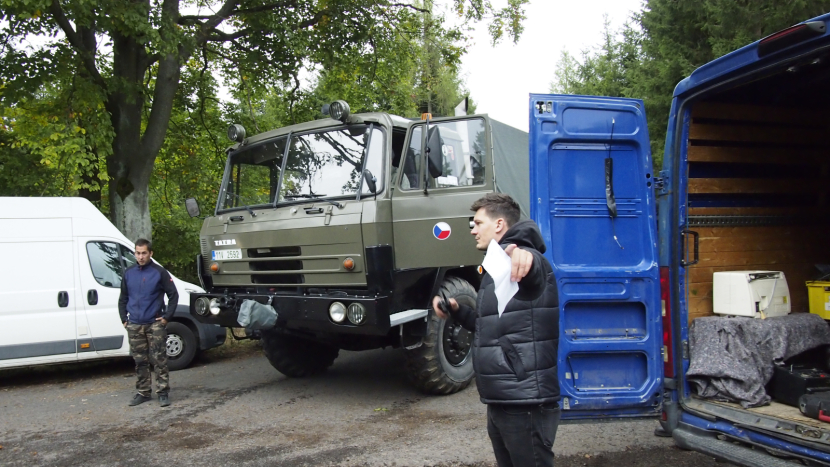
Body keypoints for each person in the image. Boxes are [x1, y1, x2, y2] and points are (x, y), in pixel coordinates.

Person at [433, 193, 560, 467]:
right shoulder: (496, 266)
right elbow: (491, 325)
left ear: (500, 224)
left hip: (525, 401)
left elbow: (533, 272)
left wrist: (526, 257)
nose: (473, 229)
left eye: (478, 223)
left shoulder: (523, 260)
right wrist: (457, 312)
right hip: (502, 398)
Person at [118, 238, 178, 407]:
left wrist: (166, 318)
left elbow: (173, 295)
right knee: (140, 361)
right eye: (138, 253)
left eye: (144, 253)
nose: (141, 256)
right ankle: (143, 392)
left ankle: (163, 391)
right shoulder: (129, 273)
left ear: (150, 253)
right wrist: (124, 319)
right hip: (135, 325)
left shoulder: (159, 272)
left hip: (154, 323)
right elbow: (122, 298)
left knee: (159, 359)